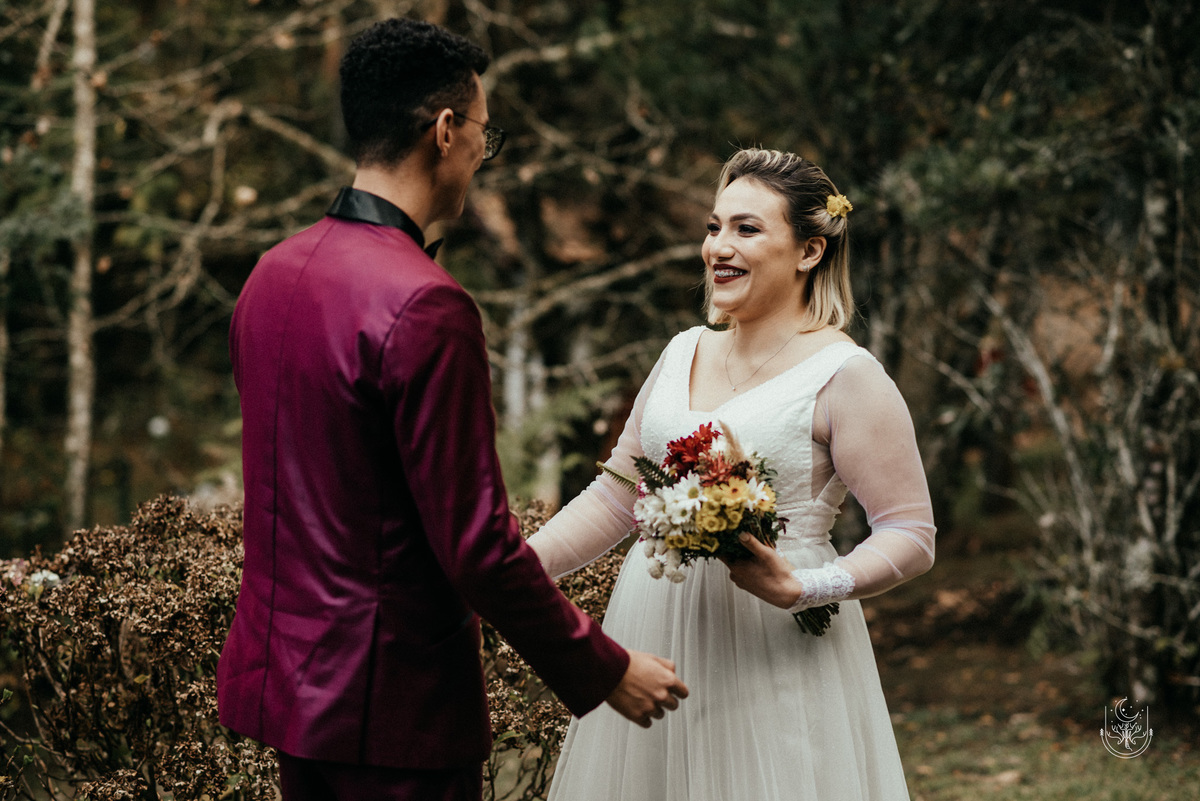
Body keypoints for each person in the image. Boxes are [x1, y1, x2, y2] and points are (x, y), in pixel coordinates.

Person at [217, 18, 686, 801]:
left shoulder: (271, 273)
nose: (480, 154)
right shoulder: (426, 306)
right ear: (443, 130)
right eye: (483, 132)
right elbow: (476, 546)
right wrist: (604, 666)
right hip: (393, 708)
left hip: (291, 692)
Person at [528, 147, 937, 800]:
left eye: (746, 228)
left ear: (809, 250)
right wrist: (509, 570)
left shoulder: (846, 375)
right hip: (651, 637)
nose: (718, 245)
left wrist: (808, 583)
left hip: (771, 651)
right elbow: (616, 498)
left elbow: (911, 532)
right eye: (714, 226)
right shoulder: (682, 350)